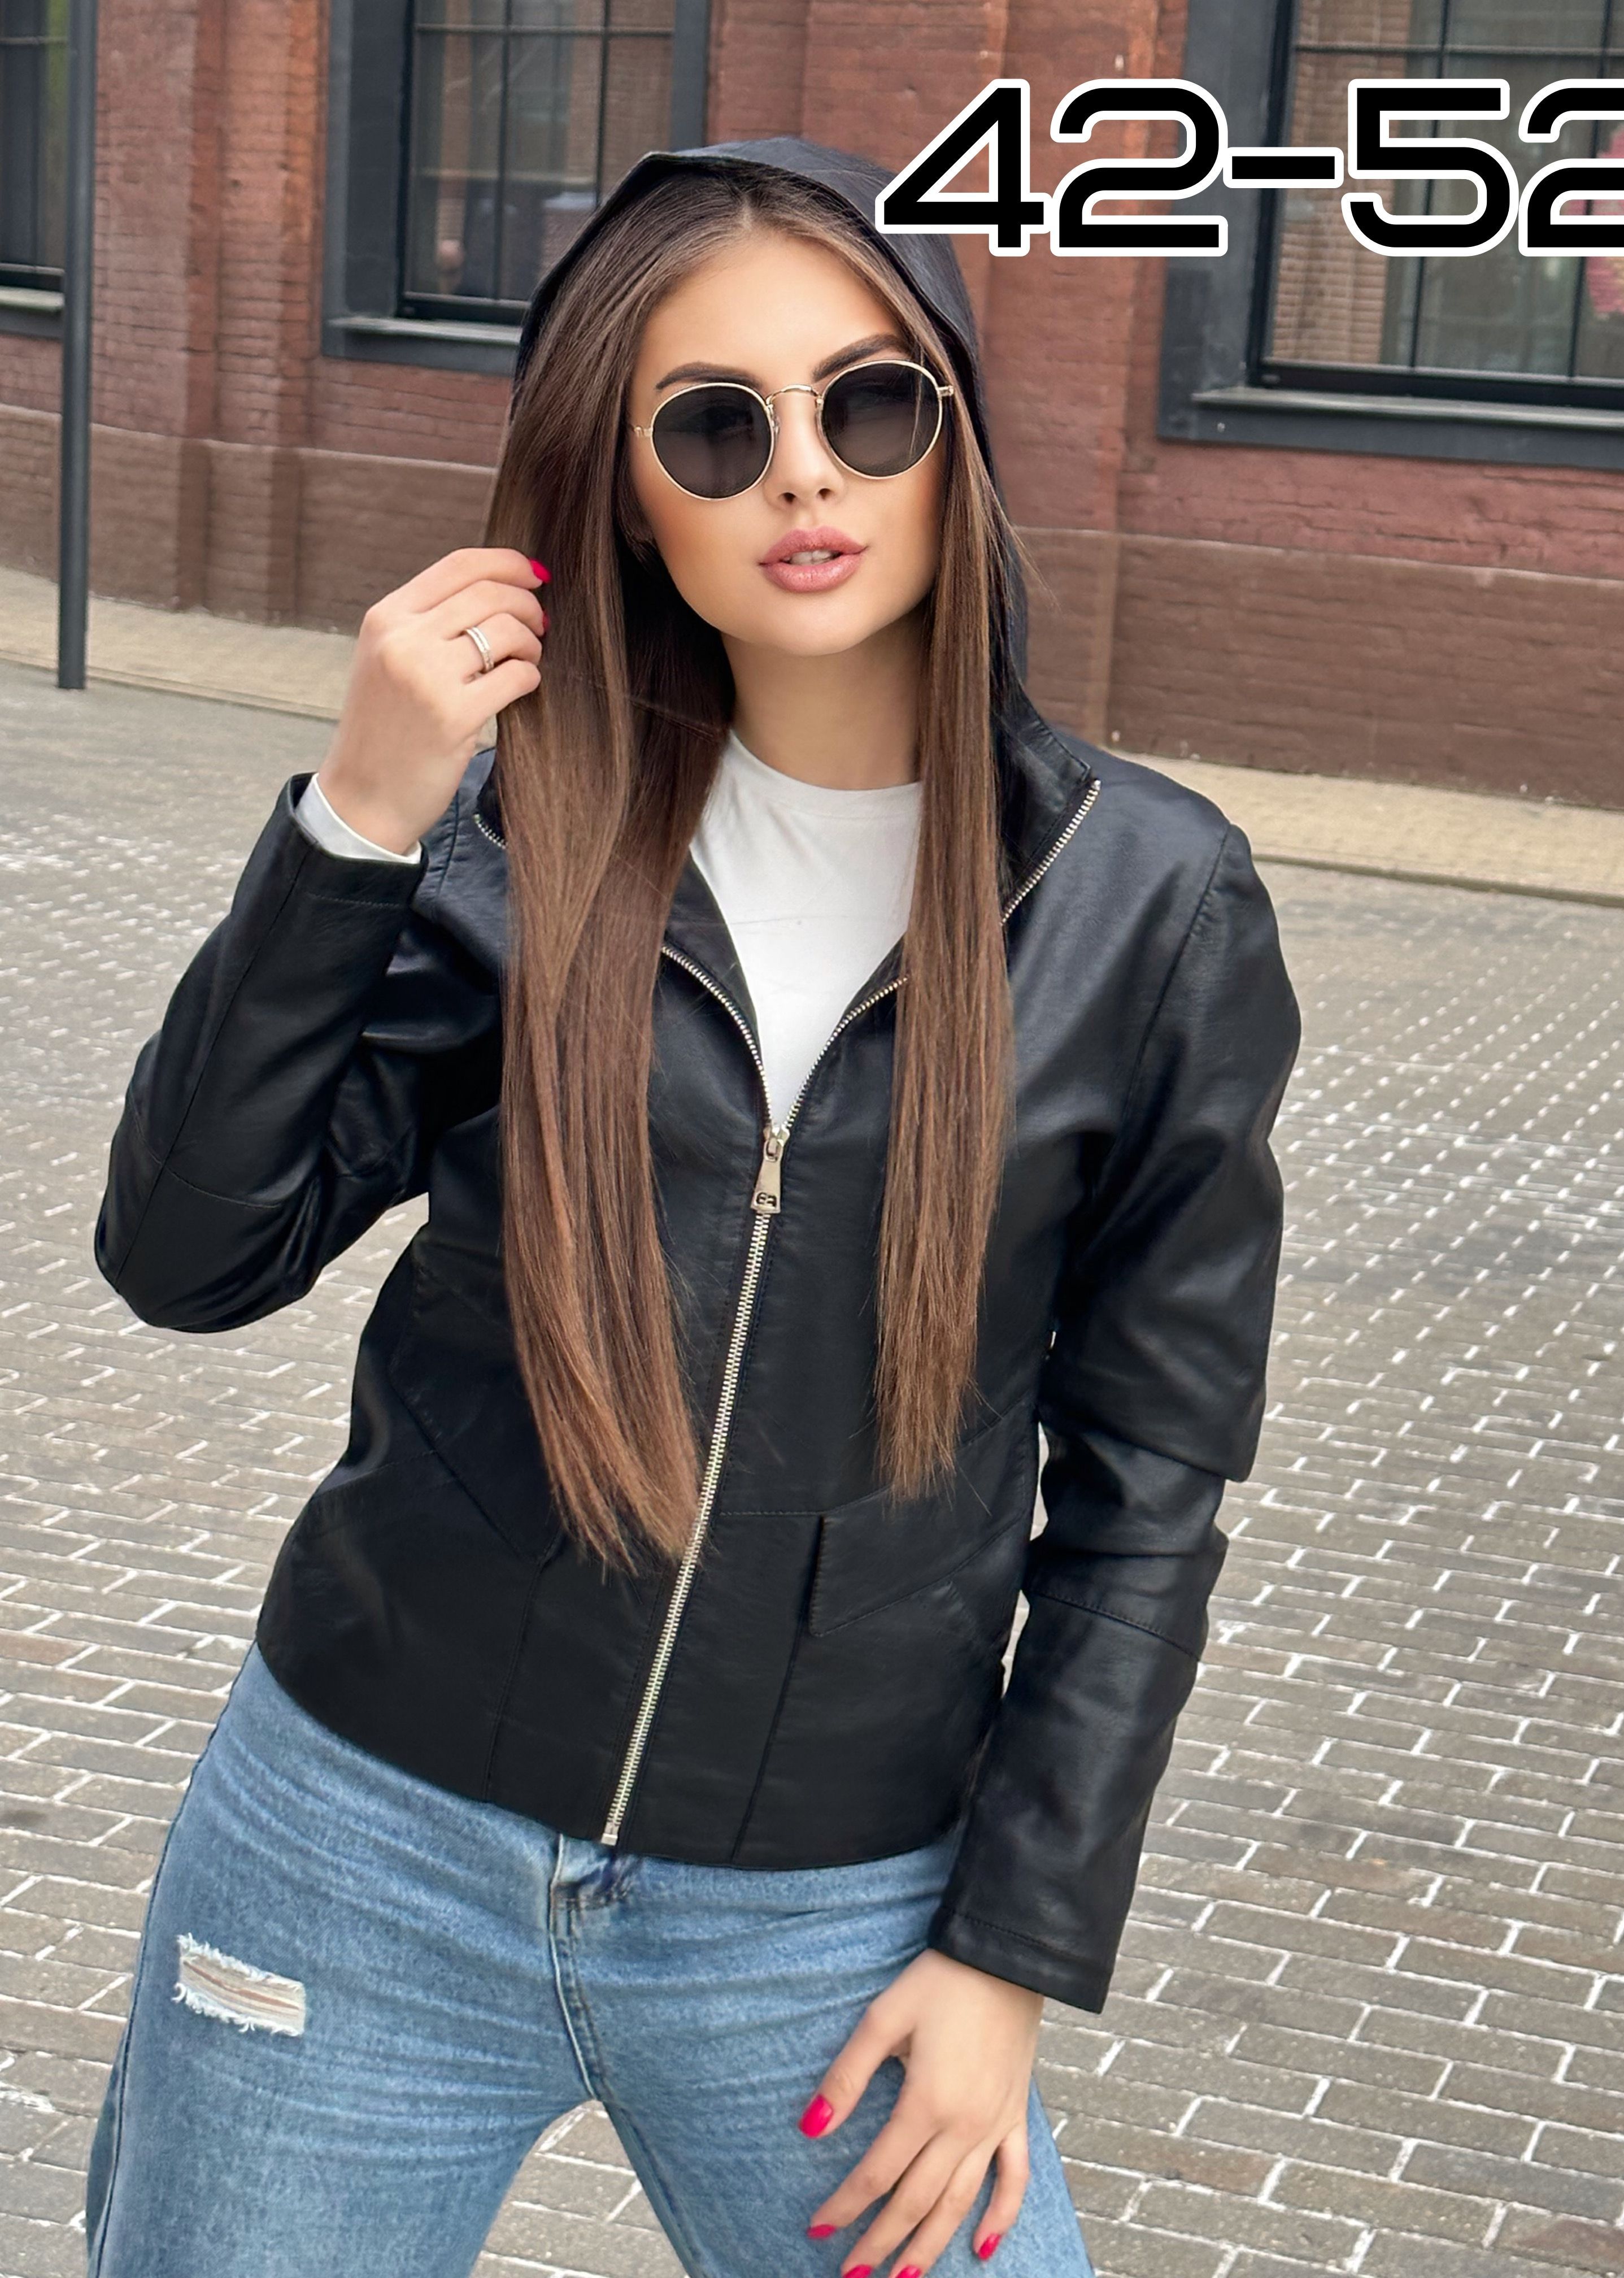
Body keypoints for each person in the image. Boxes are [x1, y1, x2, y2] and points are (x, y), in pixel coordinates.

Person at [80, 136, 1300, 2278]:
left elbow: (1151, 1488)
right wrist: (358, 818)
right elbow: (188, 1256)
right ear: (630, 495)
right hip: (361, 1850)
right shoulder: (514, 837)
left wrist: (1011, 1953)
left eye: (870, 404)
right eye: (716, 428)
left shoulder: (1148, 901)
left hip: (831, 1920)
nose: (804, 475)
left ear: (952, 435)